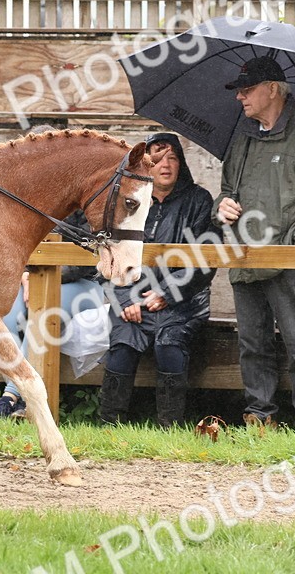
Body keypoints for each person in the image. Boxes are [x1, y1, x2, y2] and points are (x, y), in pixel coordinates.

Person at [212, 56, 295, 429]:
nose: (240, 97)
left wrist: (294, 250)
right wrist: (220, 207)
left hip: (291, 262)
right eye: (238, 91)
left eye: (247, 89)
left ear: (273, 89)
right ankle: (259, 418)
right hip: (244, 259)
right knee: (252, 345)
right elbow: (226, 194)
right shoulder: (241, 139)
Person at [98, 131, 216, 427]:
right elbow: (105, 256)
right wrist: (125, 299)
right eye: (158, 158)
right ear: (147, 164)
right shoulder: (128, 202)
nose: (166, 165)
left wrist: (168, 292)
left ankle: (169, 427)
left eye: (173, 158)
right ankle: (109, 426)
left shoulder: (199, 201)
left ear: (182, 164)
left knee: (169, 343)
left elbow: (206, 260)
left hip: (184, 303)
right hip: (133, 298)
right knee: (123, 343)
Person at [0, 209, 106, 419]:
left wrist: (40, 278)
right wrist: (26, 273)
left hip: (84, 283)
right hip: (34, 276)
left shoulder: (90, 202)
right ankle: (25, 400)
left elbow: (88, 253)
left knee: (42, 315)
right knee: (6, 315)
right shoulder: (38, 196)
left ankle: (11, 395)